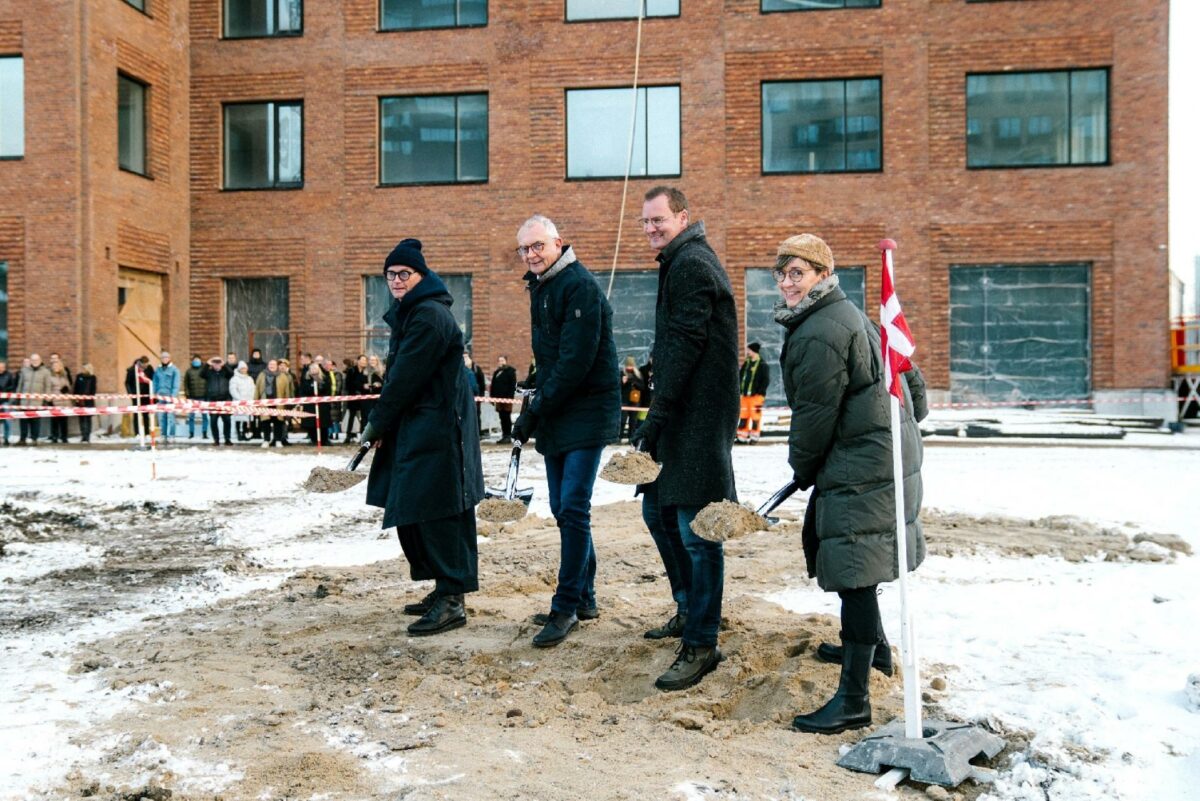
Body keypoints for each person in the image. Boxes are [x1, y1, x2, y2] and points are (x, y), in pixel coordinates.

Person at [770, 233, 927, 735]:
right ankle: (874, 649)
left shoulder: (819, 331)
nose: (787, 282)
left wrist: (803, 468)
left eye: (798, 272)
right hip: (882, 450)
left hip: (861, 459)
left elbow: (814, 417)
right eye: (782, 272)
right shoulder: (850, 313)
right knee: (856, 553)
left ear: (822, 274)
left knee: (854, 564)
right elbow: (915, 390)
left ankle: (854, 699)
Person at [631, 186, 740, 692]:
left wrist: (657, 416)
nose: (652, 228)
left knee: (697, 532)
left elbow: (686, 346)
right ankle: (686, 608)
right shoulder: (678, 261)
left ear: (683, 217)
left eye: (659, 219)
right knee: (656, 512)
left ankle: (702, 643)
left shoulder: (693, 264)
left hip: (696, 417)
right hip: (682, 415)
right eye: (646, 221)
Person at [358, 238, 484, 636]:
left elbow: (405, 378)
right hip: (421, 425)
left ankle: (452, 599)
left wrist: (378, 423)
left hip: (439, 429)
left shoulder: (428, 316)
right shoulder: (413, 312)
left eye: (403, 274)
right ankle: (443, 587)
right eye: (390, 274)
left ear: (420, 276)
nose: (396, 280)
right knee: (417, 509)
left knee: (438, 511)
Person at [511, 214, 620, 648]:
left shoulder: (579, 286)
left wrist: (536, 408)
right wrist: (533, 400)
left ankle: (567, 606)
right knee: (562, 507)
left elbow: (576, 361)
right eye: (525, 249)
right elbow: (550, 359)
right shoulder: (541, 287)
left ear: (558, 243)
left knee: (573, 507)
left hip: (587, 410)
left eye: (538, 246)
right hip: (559, 407)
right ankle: (586, 596)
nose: (532, 254)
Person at [255, 358, 294, 447]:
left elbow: (286, 391)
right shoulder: (261, 375)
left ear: (277, 366)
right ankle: (266, 440)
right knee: (266, 422)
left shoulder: (283, 376)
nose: (272, 366)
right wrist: (256, 402)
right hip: (265, 403)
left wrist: (287, 403)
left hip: (278, 403)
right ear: (268, 365)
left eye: (274, 364)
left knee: (278, 422)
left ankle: (278, 440)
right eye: (270, 364)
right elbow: (257, 389)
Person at [737, 342, 770, 444]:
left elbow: (765, 380)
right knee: (743, 416)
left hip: (756, 397)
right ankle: (742, 437)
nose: (747, 352)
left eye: (749, 350)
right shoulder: (747, 363)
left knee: (755, 417)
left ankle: (754, 437)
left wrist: (760, 392)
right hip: (745, 396)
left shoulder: (762, 365)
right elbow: (740, 376)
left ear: (754, 351)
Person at [17, 355, 50, 445]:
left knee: (35, 421)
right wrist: (17, 398)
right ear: (30, 361)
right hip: (24, 401)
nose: (35, 361)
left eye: (37, 360)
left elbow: (47, 386)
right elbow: (20, 385)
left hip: (37, 402)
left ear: (40, 360)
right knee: (23, 421)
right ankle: (22, 439)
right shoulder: (24, 370)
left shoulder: (45, 372)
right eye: (33, 360)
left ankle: (34, 439)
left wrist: (45, 399)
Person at [202, 355, 233, 445]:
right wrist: (207, 364)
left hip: (225, 399)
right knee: (213, 421)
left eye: (218, 363)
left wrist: (224, 365)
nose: (217, 365)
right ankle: (216, 440)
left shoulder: (225, 372)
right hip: (213, 400)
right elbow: (201, 374)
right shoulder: (209, 373)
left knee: (227, 420)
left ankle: (227, 439)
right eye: (215, 363)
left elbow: (231, 373)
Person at [153, 351, 181, 441]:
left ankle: (172, 435)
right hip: (160, 396)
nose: (164, 359)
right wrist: (155, 393)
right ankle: (163, 434)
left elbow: (176, 384)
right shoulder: (158, 369)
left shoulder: (174, 370)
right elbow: (155, 382)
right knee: (161, 417)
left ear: (169, 358)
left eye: (166, 358)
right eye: (162, 358)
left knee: (171, 417)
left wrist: (173, 396)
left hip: (170, 396)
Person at [299, 362, 330, 444]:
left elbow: (327, 389)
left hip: (322, 405)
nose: (314, 370)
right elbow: (304, 390)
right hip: (310, 404)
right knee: (311, 423)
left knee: (323, 423)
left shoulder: (324, 378)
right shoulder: (306, 379)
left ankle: (324, 439)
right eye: (312, 369)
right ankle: (313, 439)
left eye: (315, 368)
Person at [490, 355, 518, 444]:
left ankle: (508, 435)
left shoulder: (510, 372)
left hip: (507, 399)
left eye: (502, 360)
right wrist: (492, 397)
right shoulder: (497, 372)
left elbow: (512, 385)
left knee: (506, 417)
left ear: (506, 361)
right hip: (498, 399)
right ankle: (504, 435)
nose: (500, 362)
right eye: (499, 360)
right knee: (502, 417)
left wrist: (509, 397)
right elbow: (493, 385)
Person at [124, 355, 155, 437]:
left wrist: (152, 392)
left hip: (146, 395)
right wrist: (131, 394)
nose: (145, 366)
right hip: (136, 395)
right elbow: (127, 382)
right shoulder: (132, 370)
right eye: (144, 365)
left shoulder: (150, 368)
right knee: (137, 414)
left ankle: (147, 433)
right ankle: (137, 433)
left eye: (147, 365)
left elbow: (153, 380)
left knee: (146, 414)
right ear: (140, 363)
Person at [618, 356, 646, 442]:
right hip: (624, 401)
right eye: (628, 365)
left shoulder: (638, 374)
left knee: (633, 421)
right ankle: (620, 437)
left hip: (635, 401)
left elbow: (642, 387)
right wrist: (622, 382)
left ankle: (632, 438)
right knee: (622, 420)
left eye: (631, 365)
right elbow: (617, 387)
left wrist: (634, 381)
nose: (629, 367)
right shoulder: (622, 373)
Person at [183, 354, 209, 439]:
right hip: (192, 397)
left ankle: (204, 433)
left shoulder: (205, 370)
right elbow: (185, 383)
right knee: (191, 416)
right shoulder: (189, 371)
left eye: (198, 359)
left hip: (203, 396)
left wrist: (207, 394)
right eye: (195, 360)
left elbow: (208, 382)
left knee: (205, 416)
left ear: (200, 360)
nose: (196, 361)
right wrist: (187, 394)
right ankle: (191, 433)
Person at [229, 361, 256, 442]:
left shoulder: (249, 378)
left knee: (246, 419)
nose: (243, 370)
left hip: (248, 402)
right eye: (242, 368)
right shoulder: (234, 379)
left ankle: (244, 433)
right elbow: (233, 390)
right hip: (239, 402)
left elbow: (253, 389)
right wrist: (239, 399)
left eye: (245, 368)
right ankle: (238, 434)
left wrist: (251, 398)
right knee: (238, 418)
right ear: (239, 369)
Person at [46, 359, 72, 443]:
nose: (56, 367)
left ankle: (64, 437)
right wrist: (49, 399)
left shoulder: (64, 376)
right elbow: (48, 388)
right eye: (54, 366)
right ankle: (54, 436)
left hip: (65, 401)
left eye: (58, 366)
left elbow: (69, 386)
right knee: (55, 421)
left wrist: (67, 389)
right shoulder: (49, 377)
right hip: (55, 400)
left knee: (64, 420)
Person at [72, 364, 97, 443]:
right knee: (81, 419)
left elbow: (93, 389)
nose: (83, 369)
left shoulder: (92, 377)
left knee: (88, 419)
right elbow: (75, 388)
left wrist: (89, 397)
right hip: (80, 401)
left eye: (85, 368)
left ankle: (87, 435)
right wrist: (76, 398)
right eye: (82, 368)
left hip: (89, 401)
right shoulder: (79, 376)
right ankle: (83, 435)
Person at [0, 360, 17, 445]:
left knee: (7, 420)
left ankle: (6, 438)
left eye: (2, 367)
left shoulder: (9, 375)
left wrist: (5, 391)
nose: (1, 368)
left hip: (5, 401)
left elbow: (13, 387)